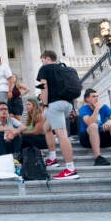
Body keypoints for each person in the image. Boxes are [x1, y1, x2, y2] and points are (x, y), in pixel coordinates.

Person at [37, 50, 79, 180]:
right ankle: (52, 158)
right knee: (46, 127)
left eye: (42, 59)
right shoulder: (65, 69)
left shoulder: (45, 68)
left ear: (47, 58)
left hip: (55, 105)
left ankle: (70, 169)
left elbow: (44, 87)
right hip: (67, 104)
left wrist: (44, 105)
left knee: (61, 135)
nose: (42, 62)